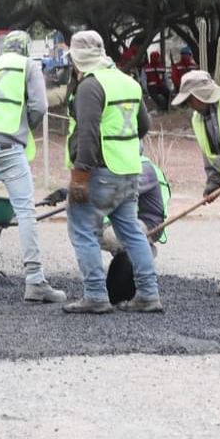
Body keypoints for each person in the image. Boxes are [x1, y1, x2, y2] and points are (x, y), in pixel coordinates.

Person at [0, 30, 66, 303]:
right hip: (8, 149)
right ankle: (35, 281)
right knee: (26, 211)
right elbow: (39, 106)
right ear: (26, 49)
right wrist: (23, 127)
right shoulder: (28, 66)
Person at [63, 30, 162, 314]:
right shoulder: (128, 82)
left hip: (99, 173)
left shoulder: (90, 87)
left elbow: (88, 135)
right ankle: (148, 294)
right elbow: (144, 125)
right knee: (132, 232)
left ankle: (95, 295)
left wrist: (80, 176)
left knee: (84, 230)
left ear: (77, 59)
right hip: (129, 170)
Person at [171, 70, 220, 296]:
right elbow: (210, 155)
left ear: (200, 95)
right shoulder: (198, 119)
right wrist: (212, 184)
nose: (189, 104)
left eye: (190, 99)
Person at [101, 155, 171, 256]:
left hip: (149, 225)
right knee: (94, 231)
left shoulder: (143, 168)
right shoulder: (126, 165)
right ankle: (125, 256)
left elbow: (122, 193)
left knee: (109, 235)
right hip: (129, 220)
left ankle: (144, 253)